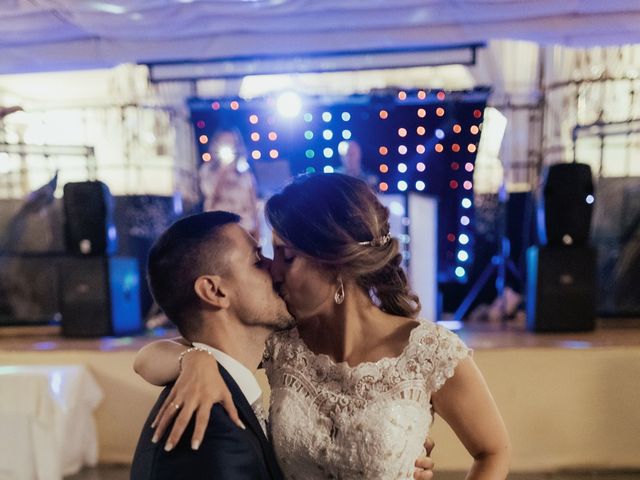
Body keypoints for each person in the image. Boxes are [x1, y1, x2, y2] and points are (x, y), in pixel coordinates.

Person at [135, 173, 510, 479]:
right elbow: (147, 359)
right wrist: (196, 361)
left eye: (287, 256)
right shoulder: (281, 344)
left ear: (335, 262)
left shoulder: (430, 352)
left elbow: (493, 451)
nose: (274, 269)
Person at [131, 211, 292, 479]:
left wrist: (195, 358)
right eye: (256, 260)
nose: (274, 268)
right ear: (214, 292)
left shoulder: (222, 386)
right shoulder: (210, 429)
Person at [198, 128, 260, 239]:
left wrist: (257, 234)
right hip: (218, 229)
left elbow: (253, 205)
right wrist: (222, 173)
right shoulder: (208, 170)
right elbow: (210, 196)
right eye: (225, 142)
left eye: (232, 143)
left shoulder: (245, 172)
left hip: (244, 229)